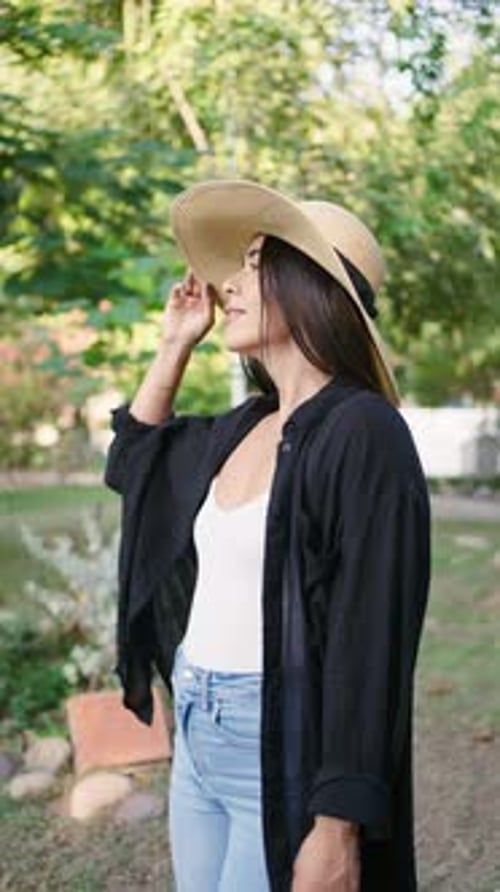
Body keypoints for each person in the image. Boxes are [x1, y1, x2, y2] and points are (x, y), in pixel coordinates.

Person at [104, 180, 431, 892]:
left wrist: (339, 823)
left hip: (279, 741)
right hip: (197, 726)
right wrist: (174, 344)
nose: (231, 283)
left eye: (256, 262)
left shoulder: (364, 434)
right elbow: (133, 464)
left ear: (308, 284)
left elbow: (372, 636)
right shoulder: (243, 426)